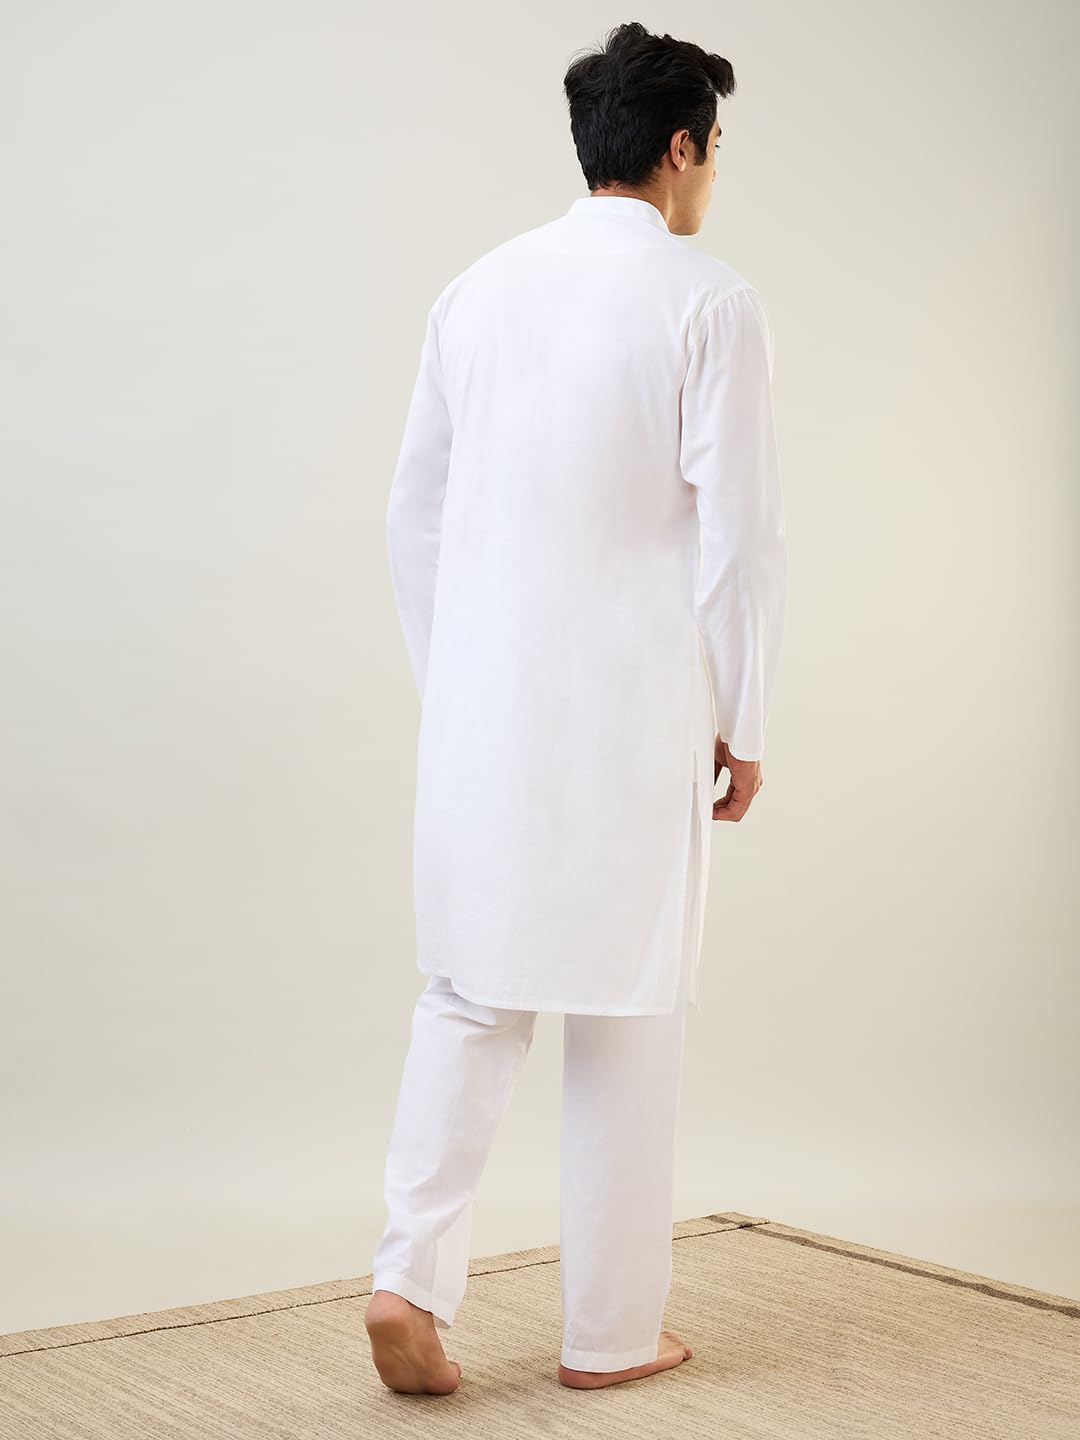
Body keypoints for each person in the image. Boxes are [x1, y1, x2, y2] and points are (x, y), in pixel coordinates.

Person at [365, 20, 789, 1394]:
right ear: (680, 146)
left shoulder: (474, 291)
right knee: (629, 1009)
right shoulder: (710, 302)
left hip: (480, 714)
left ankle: (405, 1278)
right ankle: (609, 1334)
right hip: (633, 714)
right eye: (714, 146)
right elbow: (741, 541)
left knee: (467, 992)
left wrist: (455, 682)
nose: (713, 171)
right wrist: (746, 720)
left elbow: (413, 514)